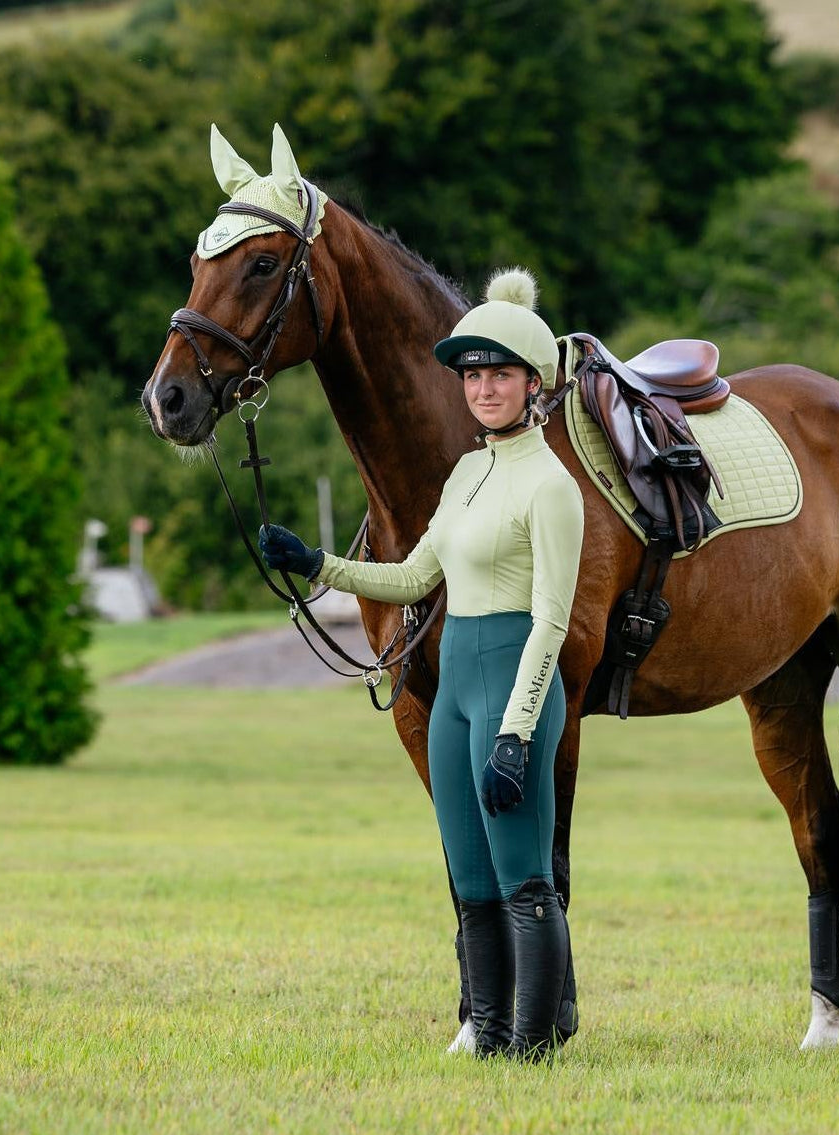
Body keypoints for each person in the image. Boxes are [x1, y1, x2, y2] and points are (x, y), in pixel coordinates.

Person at [259, 267, 584, 1061]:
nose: (483, 388)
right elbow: (412, 577)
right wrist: (317, 564)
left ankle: (533, 1045)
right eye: (472, 375)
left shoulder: (551, 486)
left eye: (499, 374)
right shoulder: (466, 473)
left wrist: (516, 732)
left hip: (510, 687)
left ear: (533, 384)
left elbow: (551, 618)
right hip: (454, 696)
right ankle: (489, 1032)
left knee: (524, 879)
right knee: (471, 882)